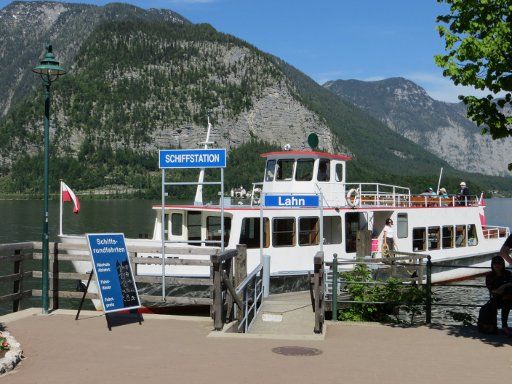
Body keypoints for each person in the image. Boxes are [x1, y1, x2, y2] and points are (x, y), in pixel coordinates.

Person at [486, 256, 512, 334]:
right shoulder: (489, 275)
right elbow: (491, 288)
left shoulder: (508, 273)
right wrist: (499, 290)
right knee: (495, 303)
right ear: (492, 265)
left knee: (506, 301)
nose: (497, 265)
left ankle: (504, 326)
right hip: (496, 297)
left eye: (499, 263)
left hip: (508, 296)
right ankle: (494, 326)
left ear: (503, 264)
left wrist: (503, 286)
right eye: (495, 263)